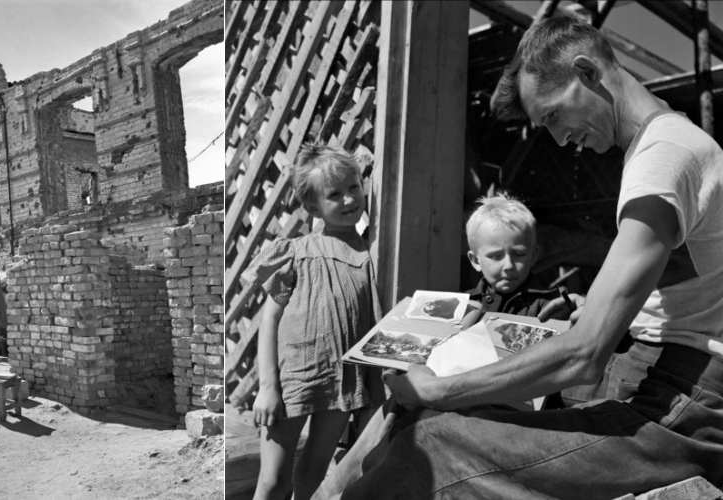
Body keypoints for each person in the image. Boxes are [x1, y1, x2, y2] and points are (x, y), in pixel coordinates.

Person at [325, 16, 723, 499]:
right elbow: (696, 286)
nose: (558, 139)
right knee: (421, 417)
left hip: (680, 408)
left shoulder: (664, 157)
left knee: (429, 445)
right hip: (654, 375)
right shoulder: (666, 147)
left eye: (553, 116)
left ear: (587, 72)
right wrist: (608, 310)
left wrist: (438, 390)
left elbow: (583, 356)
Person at [242, 144, 386, 500]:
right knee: (273, 481)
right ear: (312, 206)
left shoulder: (372, 252)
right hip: (294, 380)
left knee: (314, 472)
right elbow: (269, 319)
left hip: (341, 382)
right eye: (334, 194)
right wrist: (268, 388)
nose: (349, 199)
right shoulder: (296, 252)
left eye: (354, 187)